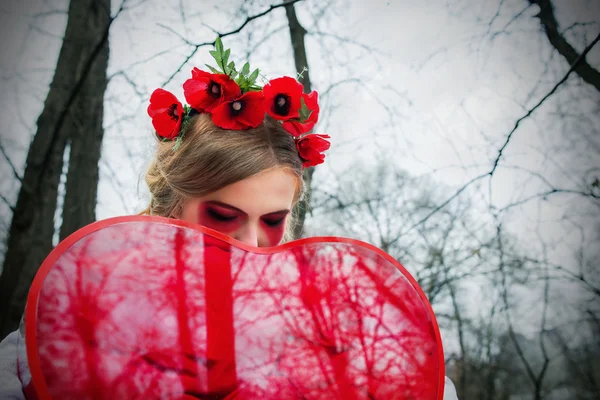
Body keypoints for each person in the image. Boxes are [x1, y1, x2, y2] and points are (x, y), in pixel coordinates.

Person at [0, 39, 457, 399]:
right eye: (223, 214)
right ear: (172, 205)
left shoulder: (332, 323)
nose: (254, 242)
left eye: (274, 218)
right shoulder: (90, 312)